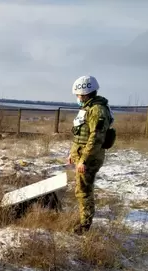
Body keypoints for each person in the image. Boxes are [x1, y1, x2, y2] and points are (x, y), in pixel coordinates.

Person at [67, 75, 113, 234]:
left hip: (89, 158)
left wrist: (84, 161)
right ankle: (84, 219)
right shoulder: (87, 108)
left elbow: (96, 138)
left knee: (83, 191)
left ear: (85, 93)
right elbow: (81, 134)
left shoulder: (97, 110)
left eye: (78, 95)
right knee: (81, 189)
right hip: (82, 156)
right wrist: (73, 153)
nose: (77, 98)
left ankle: (84, 226)